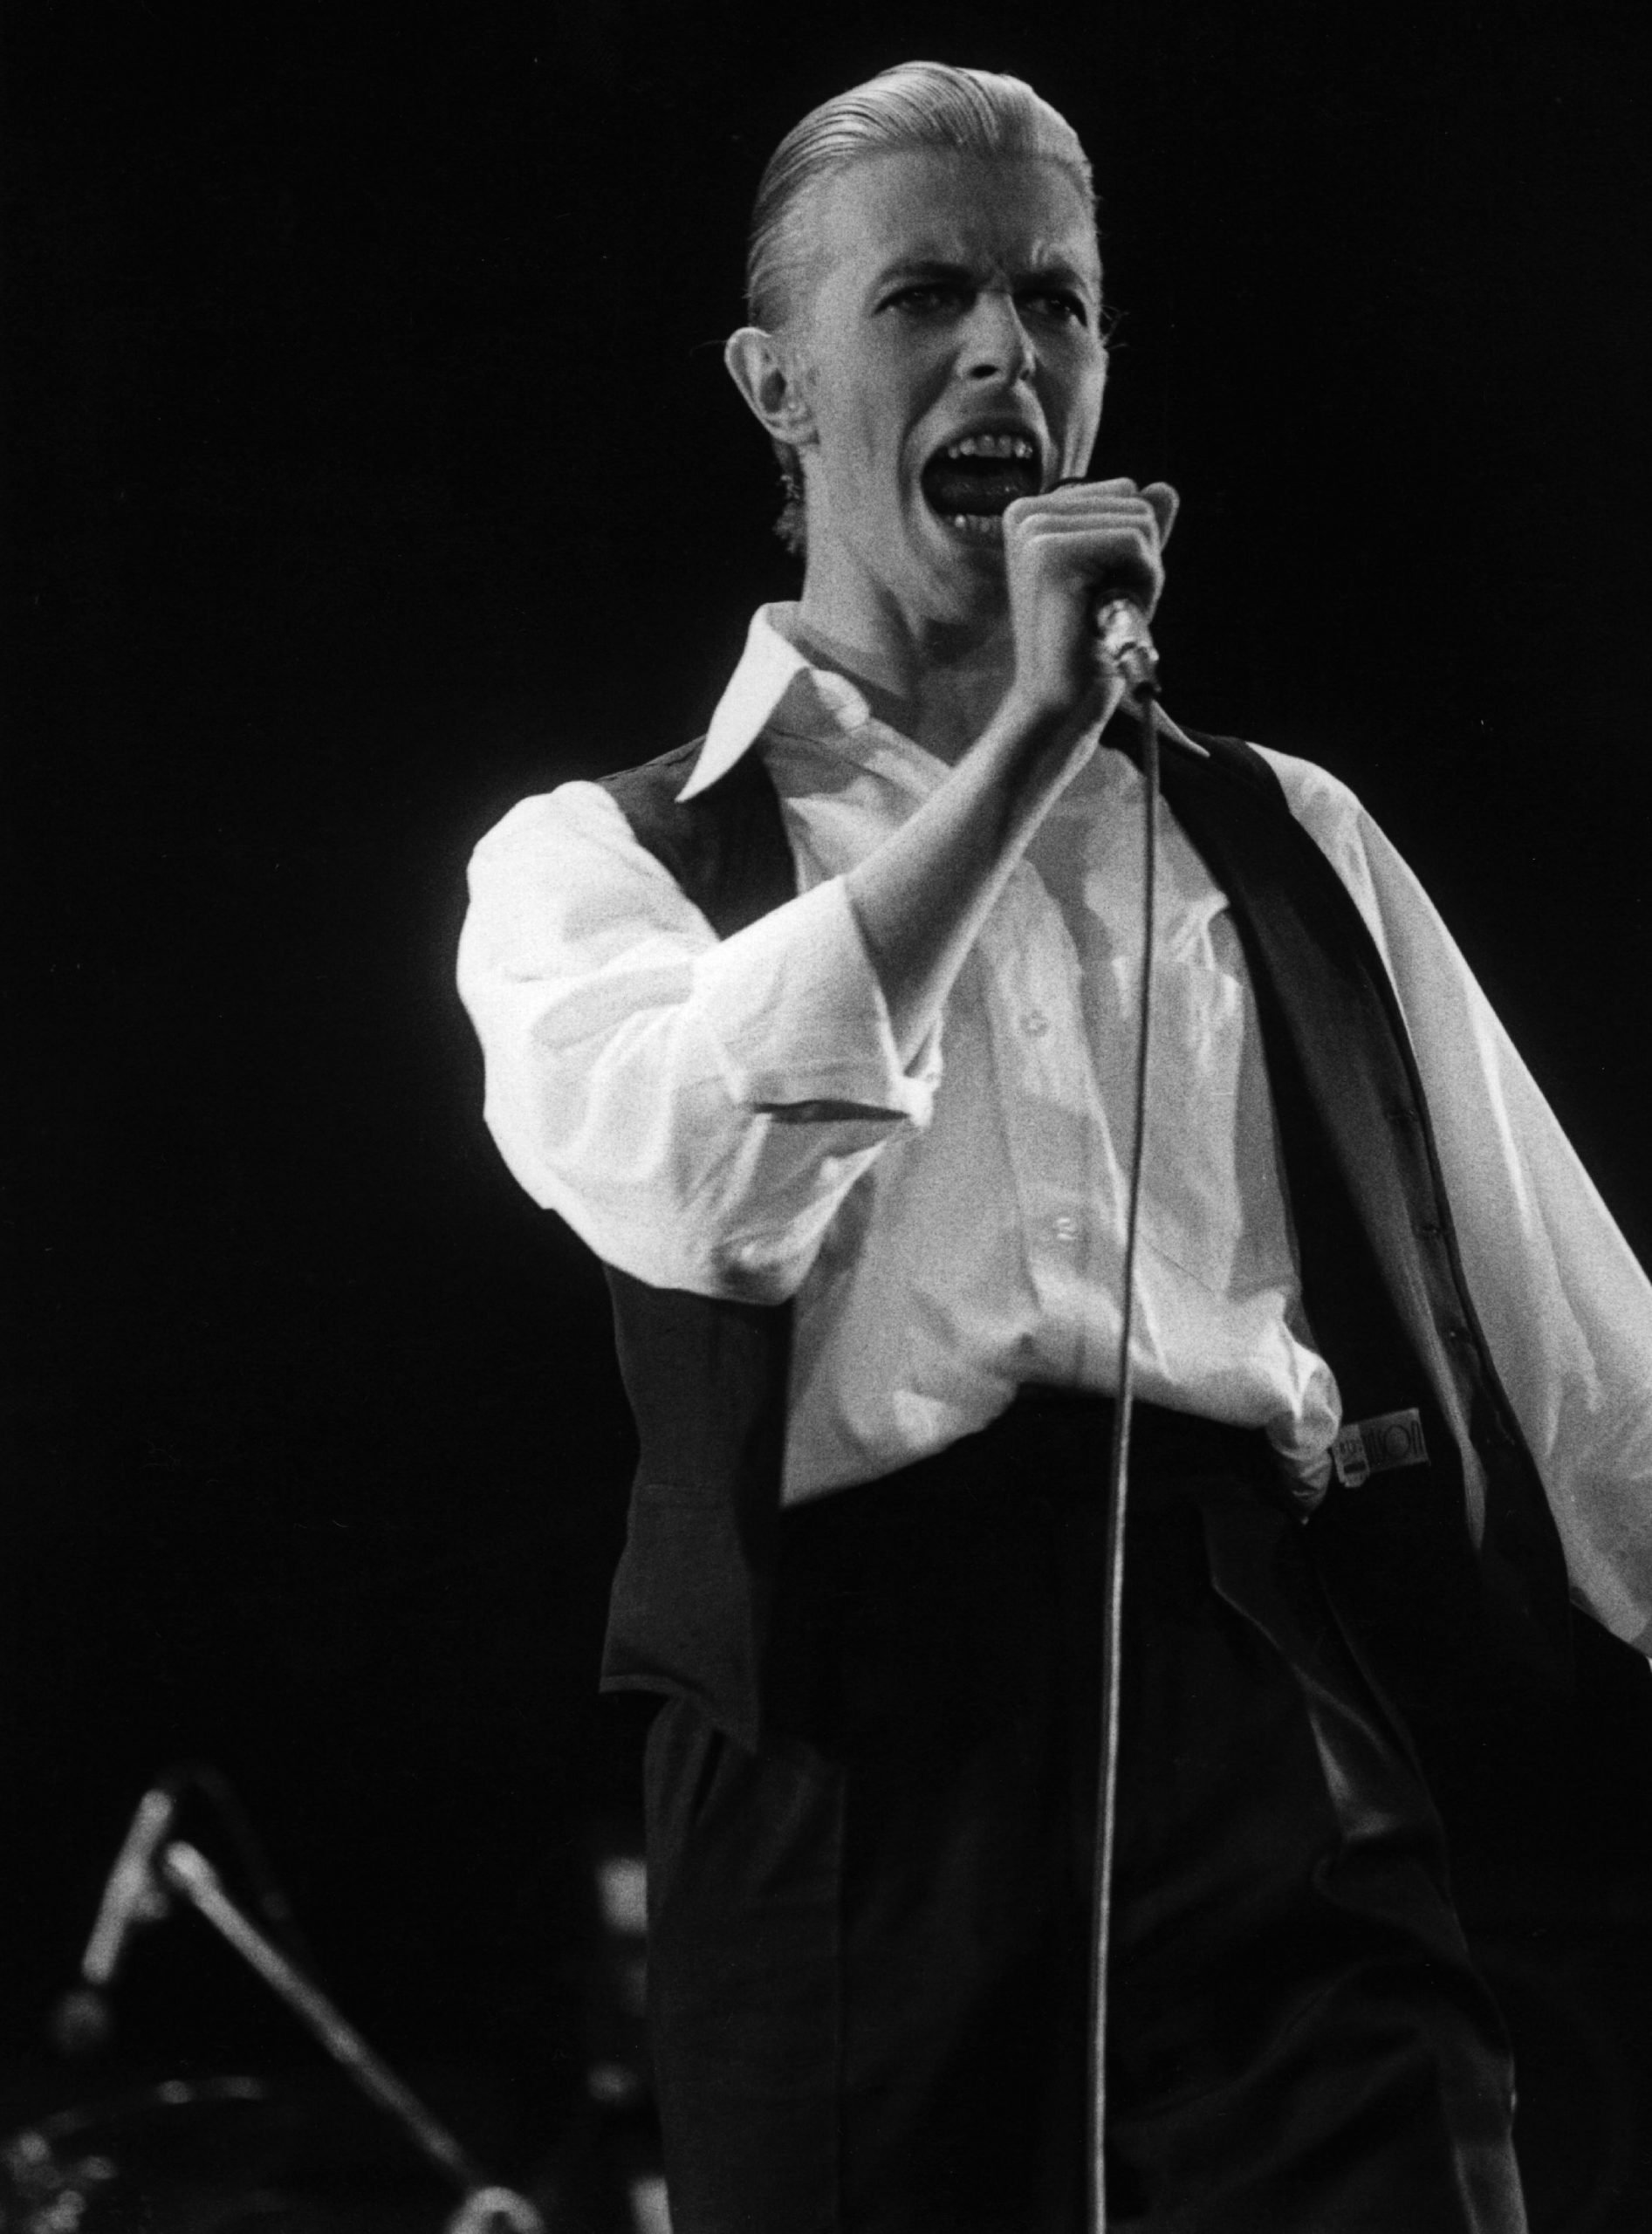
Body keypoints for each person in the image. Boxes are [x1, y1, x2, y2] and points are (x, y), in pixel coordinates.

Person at [457, 61, 1652, 2234]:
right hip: (840, 1764)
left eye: (1056, 301)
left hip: (1248, 1704)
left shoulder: (1277, 838)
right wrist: (1021, 742)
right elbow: (700, 1186)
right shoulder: (593, 863)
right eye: (925, 297)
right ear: (778, 385)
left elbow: (1597, 1381)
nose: (1007, 350)